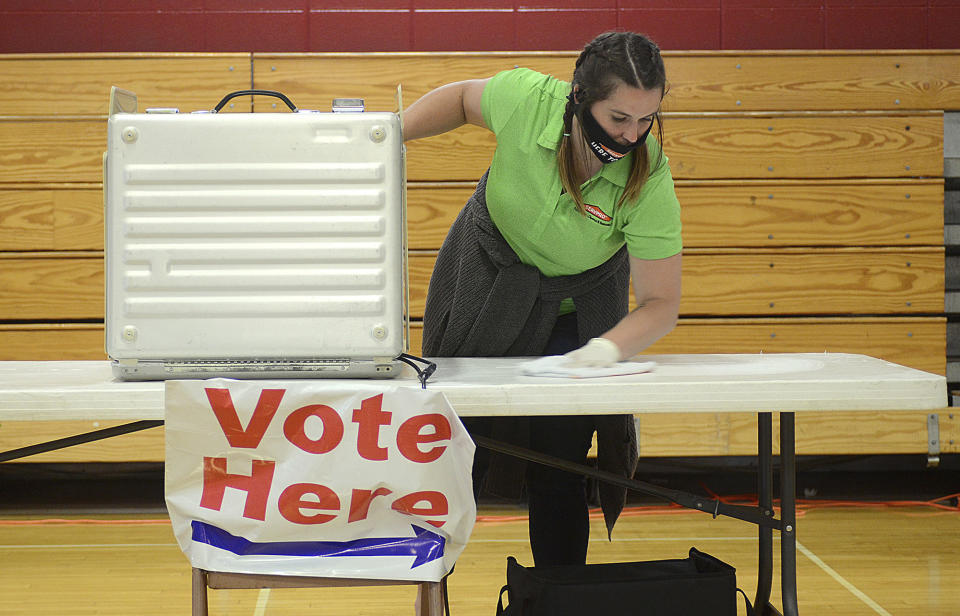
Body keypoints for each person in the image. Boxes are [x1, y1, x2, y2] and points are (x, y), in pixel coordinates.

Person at [402, 31, 682, 566]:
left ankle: (560, 593)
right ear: (580, 96)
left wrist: (603, 352)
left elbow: (660, 303)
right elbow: (463, 99)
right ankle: (431, 587)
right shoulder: (527, 99)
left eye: (647, 120)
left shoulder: (650, 179)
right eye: (619, 118)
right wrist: (389, 134)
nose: (631, 136)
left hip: (575, 311)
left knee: (563, 461)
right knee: (458, 448)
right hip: (487, 284)